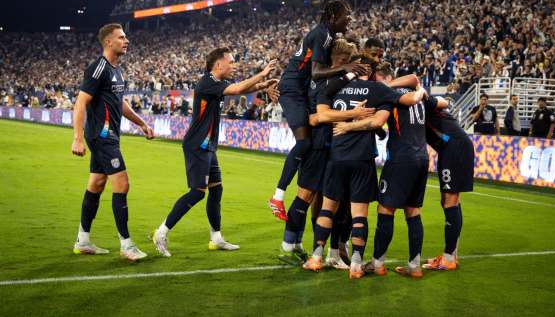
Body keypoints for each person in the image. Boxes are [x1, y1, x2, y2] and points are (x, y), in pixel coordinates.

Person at [302, 56, 426, 279]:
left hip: (337, 156)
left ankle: (316, 257)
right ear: (369, 72)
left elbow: (319, 116)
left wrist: (346, 122)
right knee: (359, 214)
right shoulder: (376, 89)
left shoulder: (334, 87)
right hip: (362, 159)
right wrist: (420, 92)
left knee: (327, 208)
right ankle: (357, 265)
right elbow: (391, 112)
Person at [152, 48, 278, 257]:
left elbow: (237, 89)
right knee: (197, 192)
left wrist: (264, 85)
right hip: (197, 145)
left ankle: (216, 238)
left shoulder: (216, 84)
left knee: (216, 190)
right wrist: (263, 75)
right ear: (218, 65)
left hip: (208, 145)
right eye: (230, 62)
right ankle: (161, 232)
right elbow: (237, 90)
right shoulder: (207, 82)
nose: (233, 65)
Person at [333, 63, 444, 278]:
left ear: (381, 78)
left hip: (401, 159)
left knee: (385, 211)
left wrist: (349, 124)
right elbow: (438, 99)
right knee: (413, 212)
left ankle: (377, 263)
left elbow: (378, 121)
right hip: (422, 158)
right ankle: (414, 265)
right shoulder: (417, 94)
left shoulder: (389, 94)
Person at [269, 0, 368, 221]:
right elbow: (315, 72)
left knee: (307, 144)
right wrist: (346, 68)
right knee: (304, 142)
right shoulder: (322, 34)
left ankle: (293, 235)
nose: (350, 19)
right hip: (293, 90)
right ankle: (277, 196)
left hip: (297, 89)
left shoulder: (328, 36)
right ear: (333, 16)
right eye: (346, 15)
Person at [278, 40, 373, 268]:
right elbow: (320, 116)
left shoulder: (328, 79)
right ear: (334, 58)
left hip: (328, 145)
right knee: (306, 194)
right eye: (342, 61)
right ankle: (288, 245)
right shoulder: (326, 80)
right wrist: (353, 114)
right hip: (319, 143)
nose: (345, 66)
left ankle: (304, 245)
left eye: (347, 62)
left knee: (323, 199)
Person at [71, 23, 155, 261]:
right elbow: (80, 103)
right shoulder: (99, 68)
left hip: (108, 136)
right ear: (108, 42)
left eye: (125, 37)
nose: (126, 40)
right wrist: (77, 138)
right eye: (121, 37)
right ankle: (126, 245)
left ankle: (83, 240)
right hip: (102, 135)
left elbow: (119, 103)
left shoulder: (117, 70)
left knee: (97, 183)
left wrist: (142, 123)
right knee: (122, 183)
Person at [422, 93, 475, 271]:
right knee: (448, 202)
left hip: (455, 148)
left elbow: (444, 101)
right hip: (450, 148)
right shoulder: (416, 105)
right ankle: (452, 255)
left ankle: (449, 258)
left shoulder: (423, 100)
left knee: (450, 201)